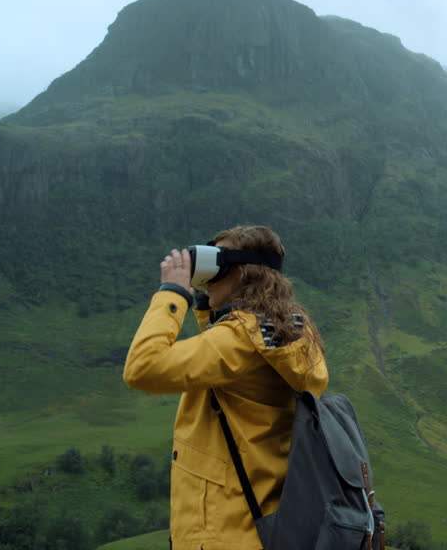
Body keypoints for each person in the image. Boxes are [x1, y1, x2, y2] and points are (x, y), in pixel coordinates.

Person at [124, 225, 328, 550]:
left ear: (241, 272)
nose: (208, 277)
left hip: (222, 533)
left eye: (216, 265)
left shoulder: (238, 341)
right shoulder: (291, 333)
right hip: (264, 529)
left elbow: (142, 369)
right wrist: (210, 306)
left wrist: (171, 295)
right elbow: (229, 367)